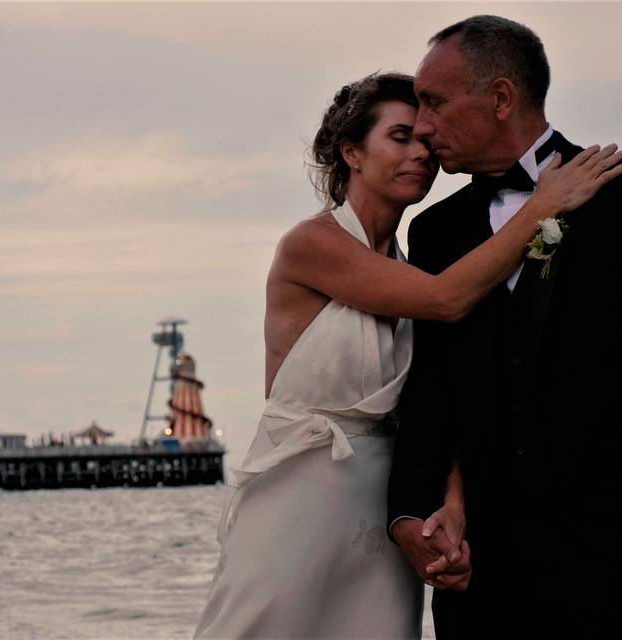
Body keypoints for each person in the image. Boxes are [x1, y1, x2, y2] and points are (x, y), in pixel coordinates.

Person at [192, 70, 620, 638]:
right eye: (399, 137)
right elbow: (445, 300)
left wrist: (445, 502)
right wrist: (544, 205)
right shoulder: (311, 245)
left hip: (387, 507)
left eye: (425, 139)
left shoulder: (421, 250)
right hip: (301, 492)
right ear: (351, 152)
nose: (420, 152)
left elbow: (445, 392)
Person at [387, 15, 622, 638]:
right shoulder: (433, 230)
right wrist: (408, 514)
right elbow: (431, 386)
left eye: (434, 103)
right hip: (478, 573)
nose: (424, 125)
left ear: (499, 98)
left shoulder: (618, 198)